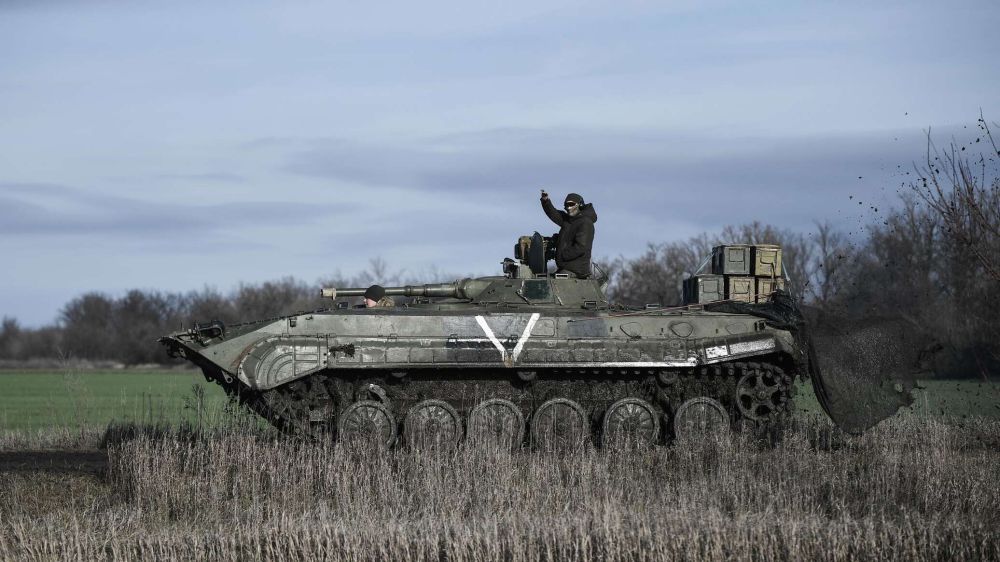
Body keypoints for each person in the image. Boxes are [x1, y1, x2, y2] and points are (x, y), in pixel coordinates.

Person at [540, 190, 597, 278]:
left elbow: (581, 247)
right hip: (565, 267)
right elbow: (554, 214)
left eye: (571, 204)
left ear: (579, 205)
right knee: (543, 279)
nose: (568, 208)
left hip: (576, 269)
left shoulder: (585, 222)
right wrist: (545, 201)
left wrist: (563, 255)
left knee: (554, 284)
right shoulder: (569, 221)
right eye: (566, 205)